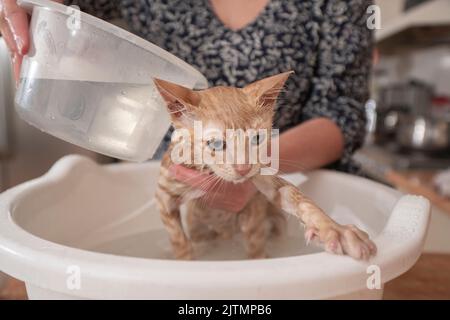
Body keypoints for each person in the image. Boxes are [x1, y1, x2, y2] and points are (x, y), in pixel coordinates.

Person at [0, 0, 373, 212]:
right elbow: (65, 8)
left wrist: (250, 174)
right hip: (164, 183)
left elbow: (343, 112)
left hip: (294, 179)